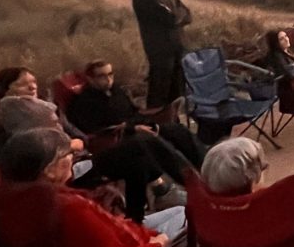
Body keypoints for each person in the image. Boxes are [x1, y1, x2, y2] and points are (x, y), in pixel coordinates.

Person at [0, 127, 187, 247]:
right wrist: (158, 243)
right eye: (67, 154)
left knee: (179, 209)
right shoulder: (69, 208)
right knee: (190, 216)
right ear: (49, 170)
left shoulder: (12, 198)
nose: (72, 157)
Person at [0, 95, 186, 222]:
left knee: (137, 157)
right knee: (137, 146)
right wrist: (70, 146)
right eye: (25, 85)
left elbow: (81, 138)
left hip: (79, 160)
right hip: (72, 170)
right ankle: (184, 183)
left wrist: (71, 143)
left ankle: (139, 215)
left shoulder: (39, 116)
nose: (32, 88)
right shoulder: (23, 141)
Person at [66, 59, 206, 167]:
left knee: (178, 131)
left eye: (110, 74)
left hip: (141, 127)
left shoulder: (116, 90)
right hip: (121, 139)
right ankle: (186, 177)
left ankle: (205, 165)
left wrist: (153, 119)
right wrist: (132, 128)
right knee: (162, 143)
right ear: (90, 79)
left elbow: (133, 111)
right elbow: (95, 131)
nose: (108, 79)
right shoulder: (84, 102)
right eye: (101, 76)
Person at [132, 0, 192, 109]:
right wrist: (178, 16)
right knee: (159, 94)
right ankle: (156, 125)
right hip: (159, 52)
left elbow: (187, 14)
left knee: (177, 94)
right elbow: (171, 18)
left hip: (177, 49)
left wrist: (178, 16)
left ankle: (173, 126)